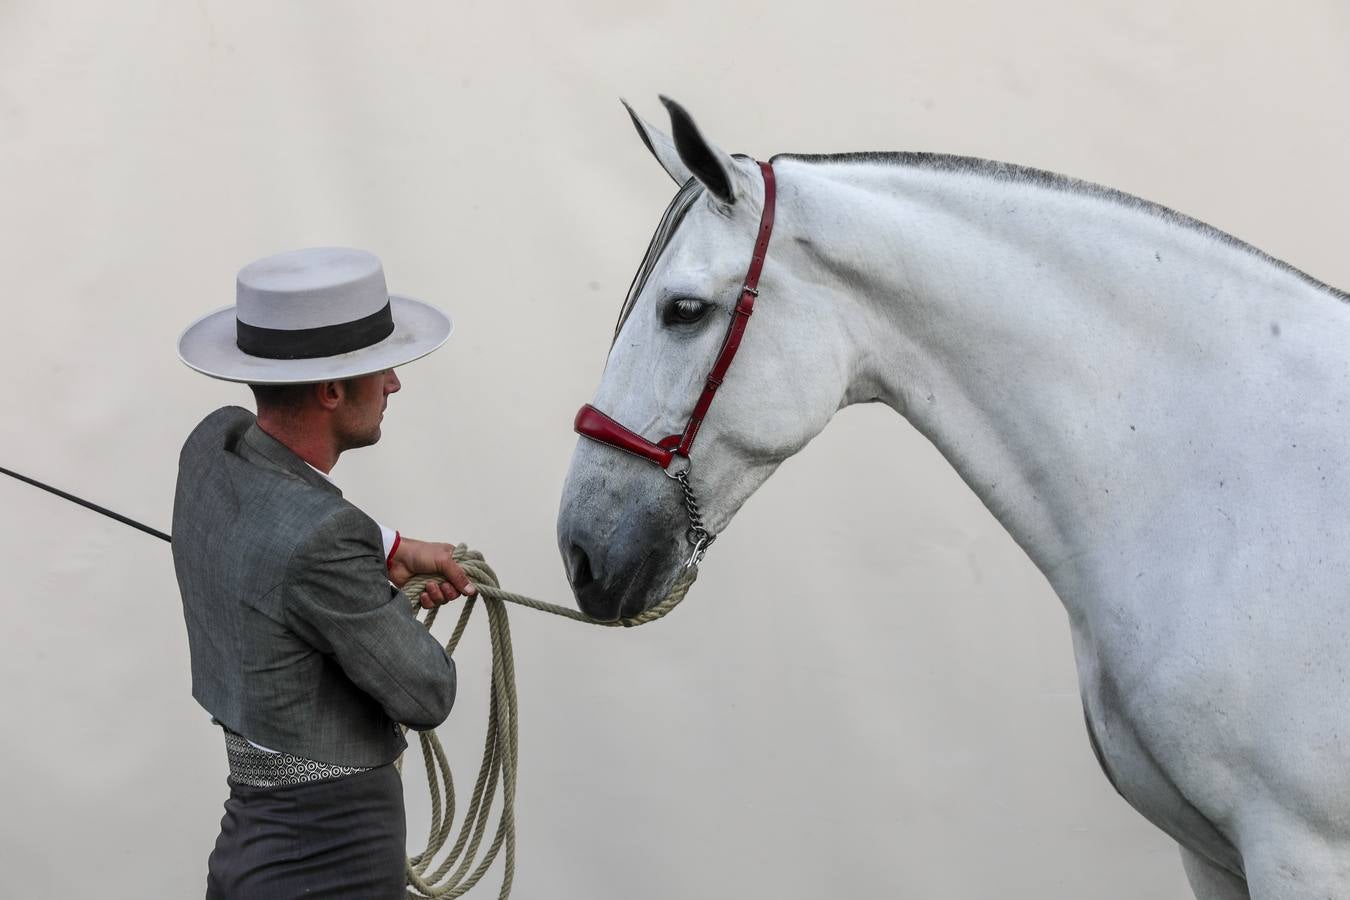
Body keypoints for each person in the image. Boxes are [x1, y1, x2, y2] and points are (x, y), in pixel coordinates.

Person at [172, 246, 474, 898]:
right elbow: (427, 693)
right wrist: (373, 586)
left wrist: (387, 546)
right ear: (333, 390)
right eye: (378, 368)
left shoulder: (213, 443)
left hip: (252, 851)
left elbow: (284, 520)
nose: (393, 383)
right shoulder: (323, 543)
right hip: (330, 858)